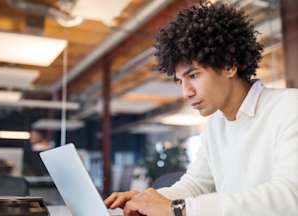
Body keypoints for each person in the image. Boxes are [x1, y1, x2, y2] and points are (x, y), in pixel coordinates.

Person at [104, 1, 298, 216]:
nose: (186, 92)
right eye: (180, 81)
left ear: (229, 66)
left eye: (194, 75)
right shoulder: (216, 125)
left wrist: (179, 210)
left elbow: (290, 195)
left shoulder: (289, 107)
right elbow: (196, 185)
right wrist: (146, 200)